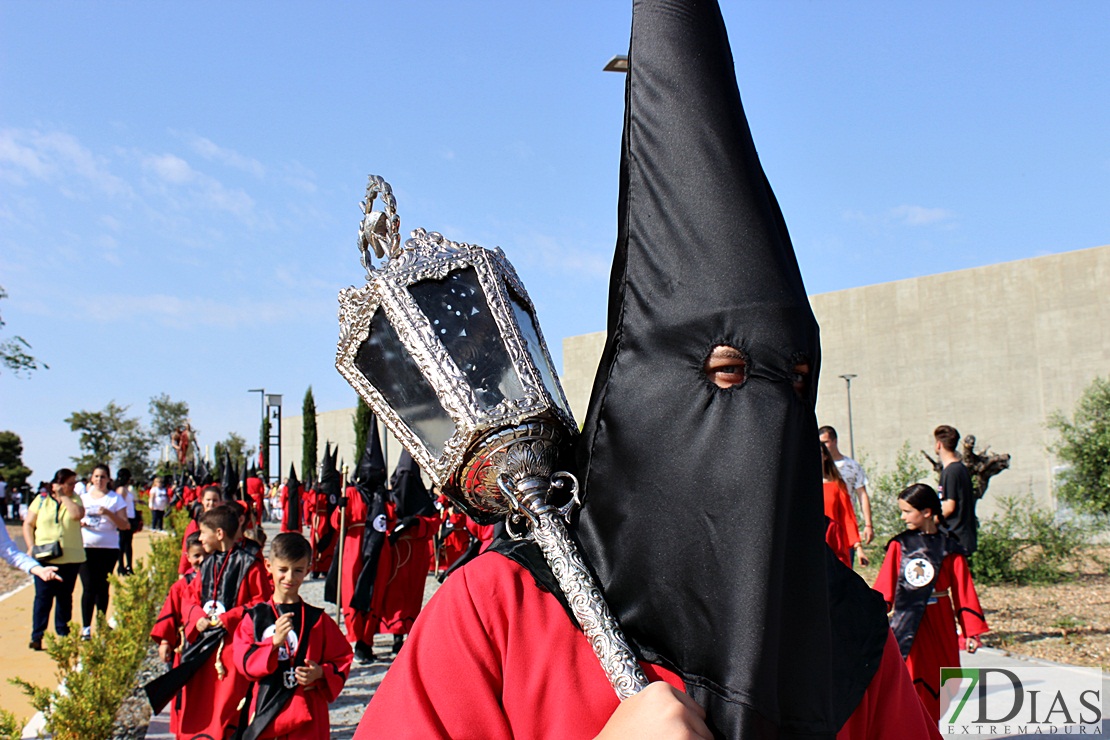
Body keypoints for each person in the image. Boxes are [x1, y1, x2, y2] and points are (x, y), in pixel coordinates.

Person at [356, 1, 939, 736]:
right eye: (725, 377)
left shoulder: (850, 634)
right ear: (642, 390)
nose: (764, 415)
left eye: (792, 383)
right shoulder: (499, 609)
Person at [143, 504, 272, 740]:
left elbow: (261, 602)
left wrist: (229, 618)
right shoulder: (207, 565)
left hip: (232, 647)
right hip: (201, 647)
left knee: (227, 704)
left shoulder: (250, 564)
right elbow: (189, 597)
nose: (199, 537)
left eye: (204, 533)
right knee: (199, 701)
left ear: (219, 534)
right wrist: (196, 617)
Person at [873, 483, 988, 721]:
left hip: (941, 622)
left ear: (926, 511)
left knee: (947, 680)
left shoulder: (949, 548)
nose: (902, 517)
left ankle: (931, 726)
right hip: (909, 623)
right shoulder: (900, 545)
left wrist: (971, 632)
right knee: (914, 680)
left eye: (907, 511)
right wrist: (869, 619)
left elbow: (963, 591)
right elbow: (884, 589)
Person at [232, 532, 354, 739]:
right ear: (269, 566)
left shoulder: (318, 620)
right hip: (267, 704)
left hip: (308, 708)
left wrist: (321, 673)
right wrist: (273, 644)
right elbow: (243, 662)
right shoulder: (254, 618)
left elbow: (343, 657)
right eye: (283, 570)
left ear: (308, 570)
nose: (289, 577)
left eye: (298, 570)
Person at [326, 417, 388, 664]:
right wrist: (340, 508)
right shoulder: (351, 492)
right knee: (353, 591)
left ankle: (367, 641)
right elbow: (336, 523)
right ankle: (354, 636)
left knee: (374, 594)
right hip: (353, 547)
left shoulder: (384, 496)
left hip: (378, 549)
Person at [150, 532, 207, 736]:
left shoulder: (219, 582)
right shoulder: (181, 586)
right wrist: (165, 641)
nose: (201, 560)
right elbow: (170, 614)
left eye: (205, 554)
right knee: (184, 692)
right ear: (188, 557)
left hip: (211, 646)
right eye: (196, 555)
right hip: (186, 648)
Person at [19, 468, 81, 650]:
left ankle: (63, 634)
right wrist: (31, 546)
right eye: (69, 483)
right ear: (58, 483)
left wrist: (65, 497)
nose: (72, 486)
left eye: (74, 483)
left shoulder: (75, 498)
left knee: (64, 598)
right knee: (42, 598)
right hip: (45, 557)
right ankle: (37, 635)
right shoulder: (41, 499)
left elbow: (77, 515)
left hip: (70, 557)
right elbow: (28, 524)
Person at [79, 463, 129, 639]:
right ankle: (86, 628)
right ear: (91, 478)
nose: (99, 480)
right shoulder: (83, 498)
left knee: (102, 587)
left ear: (109, 479)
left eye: (103, 477)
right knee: (88, 587)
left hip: (108, 548)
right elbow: (72, 519)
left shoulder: (115, 499)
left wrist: (109, 513)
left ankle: (101, 623)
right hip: (86, 547)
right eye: (96, 476)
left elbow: (125, 524)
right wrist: (81, 523)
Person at [818, 426, 875, 548]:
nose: (823, 446)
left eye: (825, 442)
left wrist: (868, 524)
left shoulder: (851, 466)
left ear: (834, 441)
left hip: (844, 521)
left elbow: (862, 495)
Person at [934, 424, 978, 555]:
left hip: (955, 539)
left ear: (939, 445)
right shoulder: (960, 469)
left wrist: (928, 522)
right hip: (960, 538)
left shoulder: (952, 471)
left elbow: (948, 506)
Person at [821, 442, 866, 567]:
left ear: (825, 456)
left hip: (835, 546)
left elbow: (848, 517)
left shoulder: (837, 485)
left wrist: (858, 547)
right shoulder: (799, 488)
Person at [180, 485, 221, 575]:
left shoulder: (224, 522)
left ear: (220, 502)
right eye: (208, 500)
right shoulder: (195, 523)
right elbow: (187, 548)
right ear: (202, 501)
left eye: (215, 500)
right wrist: (182, 572)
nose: (211, 503)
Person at [116, 468, 138, 576]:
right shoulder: (121, 490)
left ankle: (128, 565)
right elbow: (120, 505)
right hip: (125, 518)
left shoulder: (126, 489)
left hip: (130, 516)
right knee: (123, 543)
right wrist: (123, 520)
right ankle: (121, 565)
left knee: (128, 543)